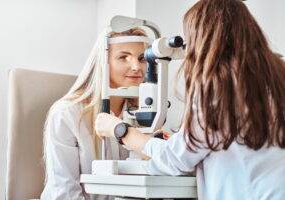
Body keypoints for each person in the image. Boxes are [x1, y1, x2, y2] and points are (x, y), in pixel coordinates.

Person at [95, 0, 285, 199]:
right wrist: (178, 140)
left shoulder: (219, 86)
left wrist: (120, 130)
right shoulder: (277, 75)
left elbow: (174, 159)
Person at [40, 26, 150, 200]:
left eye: (142, 58)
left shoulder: (144, 114)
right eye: (124, 57)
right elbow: (65, 191)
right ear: (103, 62)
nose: (136, 67)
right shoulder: (67, 113)